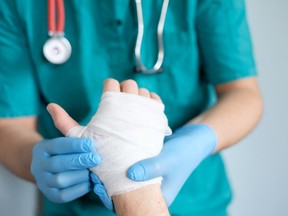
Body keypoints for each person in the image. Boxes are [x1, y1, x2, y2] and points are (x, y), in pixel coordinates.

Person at [0, 0, 263, 216]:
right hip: (75, 206)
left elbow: (243, 93)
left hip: (195, 200)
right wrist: (33, 159)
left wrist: (196, 141)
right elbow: (9, 123)